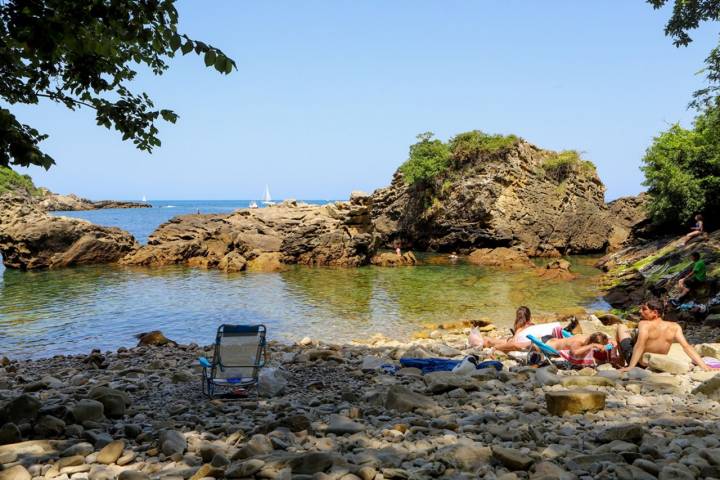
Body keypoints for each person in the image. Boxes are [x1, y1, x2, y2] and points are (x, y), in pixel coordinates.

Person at [616, 300, 712, 372]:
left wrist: (631, 367)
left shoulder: (644, 324)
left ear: (655, 313)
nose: (640, 311)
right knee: (631, 334)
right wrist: (703, 366)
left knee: (621, 327)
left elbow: (640, 345)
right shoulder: (675, 326)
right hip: (658, 363)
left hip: (640, 363)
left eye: (644, 309)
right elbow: (686, 347)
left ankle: (620, 361)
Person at [480, 307, 577, 353]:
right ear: (529, 317)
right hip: (526, 340)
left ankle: (489, 342)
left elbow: (515, 340)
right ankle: (489, 342)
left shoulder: (520, 326)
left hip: (525, 340)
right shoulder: (527, 326)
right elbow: (515, 341)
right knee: (504, 341)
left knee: (503, 341)